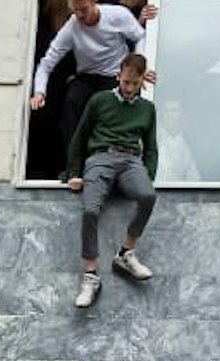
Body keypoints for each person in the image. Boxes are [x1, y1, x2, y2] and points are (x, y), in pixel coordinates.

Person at [31, 0, 157, 176]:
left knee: (111, 112)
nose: (80, 16)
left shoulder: (117, 15)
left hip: (115, 76)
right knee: (71, 103)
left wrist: (141, 66)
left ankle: (116, 167)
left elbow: (139, 36)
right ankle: (74, 167)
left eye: (84, 10)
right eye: (75, 11)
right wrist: (39, 92)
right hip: (88, 77)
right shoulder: (72, 27)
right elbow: (47, 63)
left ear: (94, 0)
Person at [67, 52, 158, 310]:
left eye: (133, 83)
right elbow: (81, 135)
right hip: (100, 158)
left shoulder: (147, 108)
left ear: (142, 80)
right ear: (119, 75)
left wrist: (147, 176)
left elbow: (151, 147)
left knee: (148, 196)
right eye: (125, 81)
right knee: (90, 210)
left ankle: (125, 253)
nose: (128, 87)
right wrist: (73, 171)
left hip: (131, 161)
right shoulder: (100, 100)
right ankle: (91, 275)